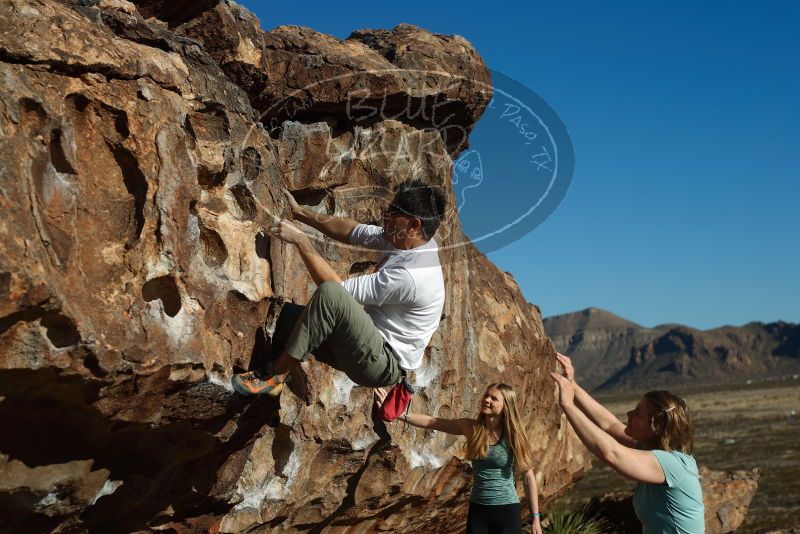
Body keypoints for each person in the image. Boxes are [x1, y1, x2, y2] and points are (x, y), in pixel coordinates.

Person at [232, 179, 447, 397]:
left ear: (414, 225)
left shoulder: (413, 276)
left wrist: (301, 241)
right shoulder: (407, 240)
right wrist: (300, 213)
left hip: (381, 363)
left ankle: (275, 376)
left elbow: (336, 292)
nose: (386, 215)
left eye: (393, 211)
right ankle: (276, 372)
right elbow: (350, 230)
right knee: (284, 318)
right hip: (367, 340)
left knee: (330, 295)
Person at [550, 353, 705, 534]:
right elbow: (609, 425)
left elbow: (611, 453)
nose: (629, 414)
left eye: (638, 413)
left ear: (655, 426)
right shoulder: (650, 449)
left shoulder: (672, 464)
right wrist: (573, 385)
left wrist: (568, 406)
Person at [375, 383, 543, 534]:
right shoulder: (471, 428)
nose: (487, 400)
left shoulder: (514, 436)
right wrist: (398, 413)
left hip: (507, 511)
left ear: (506, 406)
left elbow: (528, 477)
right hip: (479, 510)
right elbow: (433, 422)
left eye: (494, 398)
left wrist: (535, 517)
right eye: (486, 395)